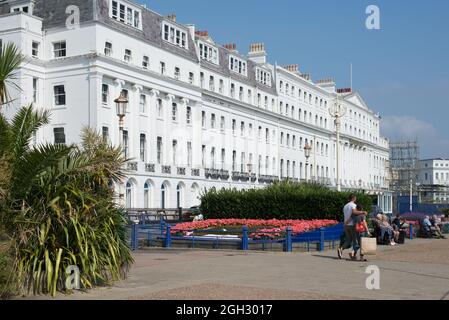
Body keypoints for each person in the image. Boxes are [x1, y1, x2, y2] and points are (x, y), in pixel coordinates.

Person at [337, 194, 368, 260]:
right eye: (355, 198)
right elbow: (354, 212)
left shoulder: (345, 206)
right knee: (355, 241)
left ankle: (341, 249)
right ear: (354, 198)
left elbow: (348, 215)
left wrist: (345, 223)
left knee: (348, 240)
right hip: (352, 225)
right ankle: (353, 255)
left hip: (346, 225)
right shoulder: (353, 205)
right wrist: (363, 212)